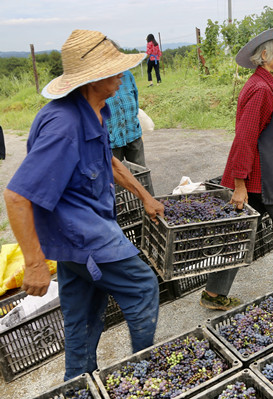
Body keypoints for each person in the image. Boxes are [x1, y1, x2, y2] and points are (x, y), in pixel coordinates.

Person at [3, 29, 164, 381]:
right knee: (142, 287)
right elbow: (16, 196)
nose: (122, 74)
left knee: (85, 315)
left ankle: (77, 384)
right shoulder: (64, 125)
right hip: (81, 235)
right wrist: (33, 264)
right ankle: (144, 378)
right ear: (93, 79)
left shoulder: (94, 110)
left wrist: (144, 196)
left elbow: (109, 161)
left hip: (76, 238)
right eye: (114, 69)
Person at [200, 27, 273, 311]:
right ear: (265, 56)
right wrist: (239, 185)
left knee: (240, 234)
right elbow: (245, 138)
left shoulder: (262, 85)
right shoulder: (262, 89)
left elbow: (268, 135)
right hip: (262, 177)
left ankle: (213, 294)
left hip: (259, 173)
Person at [105, 69, 146, 166]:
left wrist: (133, 121)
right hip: (111, 139)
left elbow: (135, 100)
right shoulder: (99, 80)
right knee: (115, 177)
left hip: (133, 132)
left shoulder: (127, 75)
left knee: (140, 173)